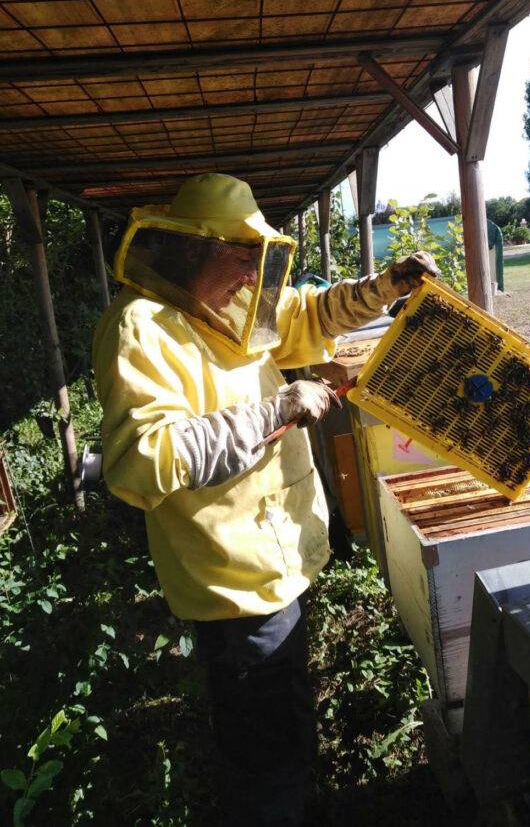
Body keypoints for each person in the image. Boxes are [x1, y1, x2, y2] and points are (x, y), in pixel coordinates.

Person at [92, 173, 438, 826]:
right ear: (191, 249)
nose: (255, 271)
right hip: (232, 582)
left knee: (283, 712)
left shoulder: (235, 305)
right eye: (241, 254)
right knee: (263, 750)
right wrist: (274, 407)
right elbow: (143, 461)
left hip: (278, 560)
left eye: (260, 255)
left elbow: (310, 313)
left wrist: (385, 286)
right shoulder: (141, 328)